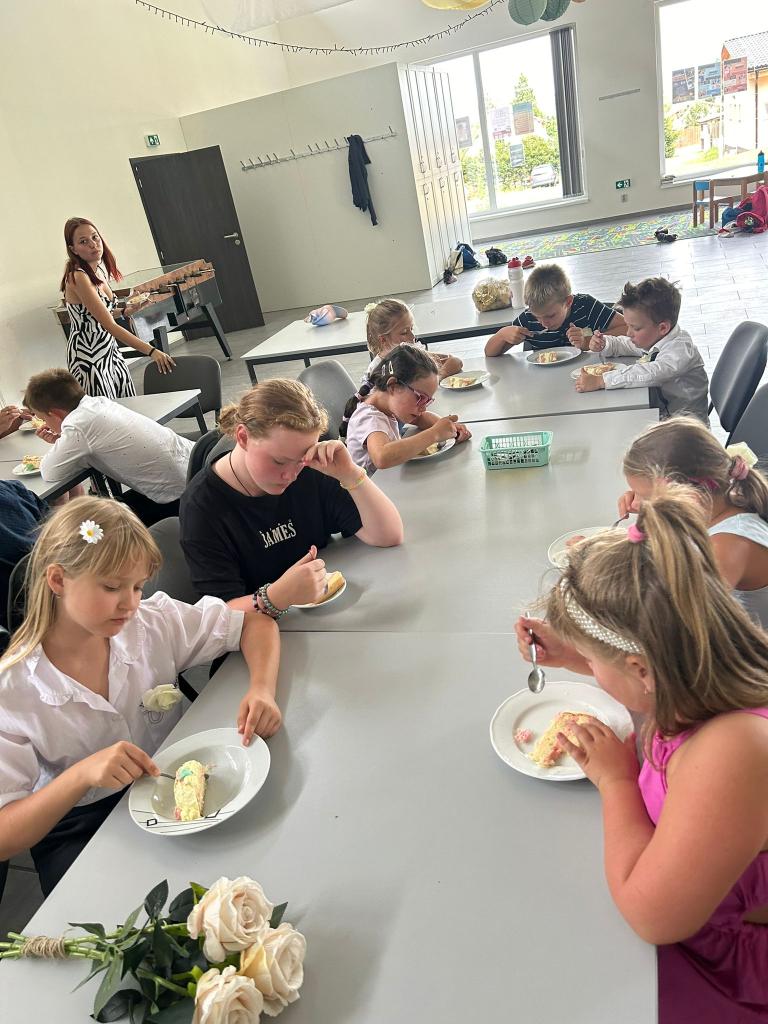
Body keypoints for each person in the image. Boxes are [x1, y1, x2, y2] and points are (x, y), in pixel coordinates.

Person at [515, 488, 768, 1022]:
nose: (587, 667)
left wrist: (618, 783)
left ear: (641, 668)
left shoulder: (733, 750)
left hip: (720, 951)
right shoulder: (698, 669)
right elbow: (647, 685)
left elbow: (653, 918)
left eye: (593, 660)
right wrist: (579, 658)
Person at [0, 496, 281, 895]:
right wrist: (81, 775)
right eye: (112, 587)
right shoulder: (14, 689)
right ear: (58, 580)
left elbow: (255, 624)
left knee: (251, 863)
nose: (130, 604)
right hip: (84, 821)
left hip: (174, 776)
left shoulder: (150, 622)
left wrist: (261, 689)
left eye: (137, 586)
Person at [180, 379, 404, 611]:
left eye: (300, 461)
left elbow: (389, 535)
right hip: (268, 626)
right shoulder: (201, 507)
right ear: (243, 437)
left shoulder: (311, 466)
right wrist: (275, 597)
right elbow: (219, 613)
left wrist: (350, 474)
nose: (291, 475)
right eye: (279, 461)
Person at [618, 418, 768, 627]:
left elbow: (678, 621)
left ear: (689, 496)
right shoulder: (720, 503)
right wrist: (650, 507)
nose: (635, 503)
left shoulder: (727, 547)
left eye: (645, 496)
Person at [24, 368, 193, 525]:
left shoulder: (78, 426)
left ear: (55, 414)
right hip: (194, 470)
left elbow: (50, 471)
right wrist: (63, 439)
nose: (44, 424)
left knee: (99, 525)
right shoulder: (98, 403)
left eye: (44, 419)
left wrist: (64, 440)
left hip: (179, 500)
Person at [61, 217, 175, 399]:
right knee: (107, 411)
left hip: (109, 349)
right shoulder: (78, 277)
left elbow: (102, 313)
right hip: (87, 356)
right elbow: (108, 324)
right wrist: (151, 351)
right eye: (83, 241)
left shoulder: (98, 272)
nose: (93, 244)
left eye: (95, 237)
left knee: (128, 401)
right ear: (73, 249)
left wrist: (125, 311)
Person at [576, 277, 709, 422]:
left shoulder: (680, 349)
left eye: (636, 328)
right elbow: (628, 344)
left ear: (663, 328)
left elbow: (653, 373)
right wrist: (606, 344)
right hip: (664, 414)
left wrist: (601, 380)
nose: (628, 333)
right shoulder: (655, 337)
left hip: (686, 426)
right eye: (628, 325)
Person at [340, 343, 471, 473]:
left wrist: (448, 427)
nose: (423, 408)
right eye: (420, 398)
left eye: (427, 401)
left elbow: (420, 418)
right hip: (372, 485)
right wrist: (435, 434)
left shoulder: (389, 404)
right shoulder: (370, 418)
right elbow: (381, 457)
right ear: (393, 386)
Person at [483, 263, 627, 355]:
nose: (543, 323)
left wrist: (588, 341)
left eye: (550, 316)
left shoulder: (585, 306)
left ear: (568, 302)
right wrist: (502, 335)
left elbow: (627, 328)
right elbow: (489, 353)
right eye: (537, 316)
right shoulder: (528, 319)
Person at [364, 298, 463, 380]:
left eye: (411, 329)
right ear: (383, 340)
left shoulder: (413, 354)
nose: (412, 336)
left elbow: (455, 361)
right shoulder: (378, 371)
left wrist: (439, 376)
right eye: (404, 332)